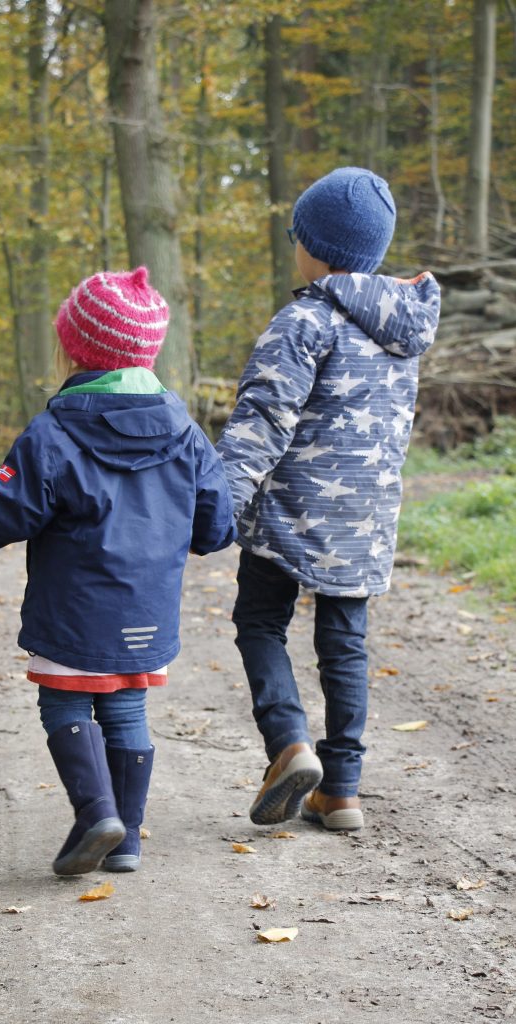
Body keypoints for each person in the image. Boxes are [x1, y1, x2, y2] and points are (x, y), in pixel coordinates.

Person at [0, 266, 236, 875]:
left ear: (73, 348)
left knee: (64, 707)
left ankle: (96, 813)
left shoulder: (54, 432)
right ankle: (130, 838)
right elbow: (216, 529)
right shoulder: (187, 433)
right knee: (127, 710)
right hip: (146, 615)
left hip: (73, 613)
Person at [216, 167, 441, 831]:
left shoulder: (304, 321)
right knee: (344, 645)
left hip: (287, 514)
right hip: (363, 521)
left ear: (312, 247)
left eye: (296, 236)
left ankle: (288, 744)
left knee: (260, 622)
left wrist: (220, 505)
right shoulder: (402, 333)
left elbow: (263, 417)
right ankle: (340, 789)